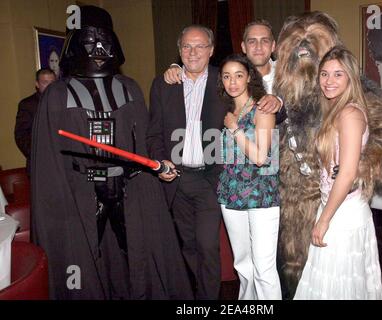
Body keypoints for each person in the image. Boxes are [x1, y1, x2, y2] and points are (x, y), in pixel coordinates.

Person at [31, 5, 192, 300]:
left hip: (130, 189)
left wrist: (157, 167)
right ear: (75, 46)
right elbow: (49, 160)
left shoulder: (129, 88)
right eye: (90, 42)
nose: (99, 49)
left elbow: (145, 139)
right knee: (86, 256)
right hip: (83, 193)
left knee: (137, 252)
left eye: (105, 40)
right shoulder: (57, 95)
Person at [293, 46, 382, 300]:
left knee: (338, 287)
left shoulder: (350, 114)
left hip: (344, 213)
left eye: (338, 74)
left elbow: (346, 173)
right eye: (324, 74)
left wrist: (324, 219)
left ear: (350, 78)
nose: (329, 81)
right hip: (335, 206)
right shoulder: (336, 110)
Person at [147, 25, 226, 300]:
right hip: (177, 179)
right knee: (188, 245)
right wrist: (161, 162)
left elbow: (255, 98)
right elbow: (154, 132)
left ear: (211, 50)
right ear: (179, 51)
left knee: (207, 246)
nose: (193, 52)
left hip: (210, 179)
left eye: (200, 46)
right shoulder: (163, 84)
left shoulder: (223, 80)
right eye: (187, 47)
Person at [217, 54, 281, 300]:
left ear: (249, 78)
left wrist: (234, 129)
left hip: (261, 194)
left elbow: (261, 157)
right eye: (226, 76)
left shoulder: (262, 108)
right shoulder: (230, 111)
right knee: (243, 264)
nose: (232, 81)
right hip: (231, 193)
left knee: (264, 268)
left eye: (239, 75)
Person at [163, 19, 282, 114]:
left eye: (264, 41)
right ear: (243, 47)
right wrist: (177, 68)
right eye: (252, 41)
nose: (258, 46)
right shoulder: (230, 78)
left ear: (273, 46)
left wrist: (279, 101)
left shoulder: (288, 73)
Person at [14, 68, 56, 175]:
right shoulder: (27, 104)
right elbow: (21, 135)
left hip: (61, 164)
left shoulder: (63, 102)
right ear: (37, 84)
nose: (49, 86)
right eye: (45, 83)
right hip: (39, 165)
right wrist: (37, 154)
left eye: (52, 83)